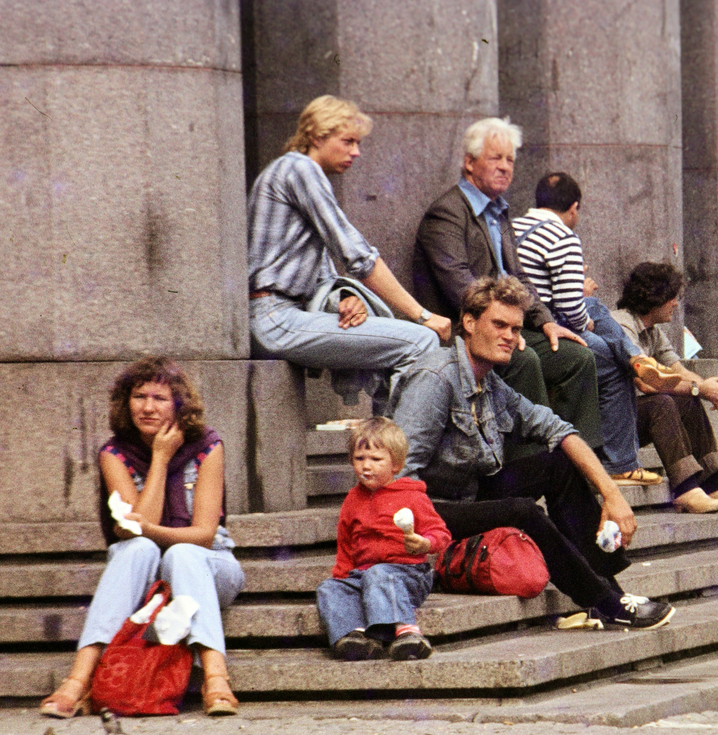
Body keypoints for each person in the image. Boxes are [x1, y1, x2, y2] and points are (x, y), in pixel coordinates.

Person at [395, 276, 673, 629]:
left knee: (559, 464)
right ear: (468, 322)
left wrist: (612, 494)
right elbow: (398, 474)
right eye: (499, 324)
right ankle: (604, 602)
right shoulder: (435, 379)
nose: (510, 336)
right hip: (425, 511)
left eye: (515, 328)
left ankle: (610, 586)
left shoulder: (491, 383)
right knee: (520, 511)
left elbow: (558, 430)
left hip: (467, 496)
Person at [40, 358, 245, 719]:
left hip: (210, 568)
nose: (148, 407)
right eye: (139, 396)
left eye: (160, 398)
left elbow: (203, 534)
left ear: (179, 405)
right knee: (136, 548)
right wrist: (160, 459)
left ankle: (216, 677)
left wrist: (146, 529)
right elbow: (139, 532)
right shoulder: (113, 454)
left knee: (181, 553)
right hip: (144, 580)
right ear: (125, 402)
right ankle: (78, 678)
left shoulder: (209, 446)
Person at [247, 95, 450, 414]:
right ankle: (401, 457)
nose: (356, 152)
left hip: (281, 313)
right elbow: (358, 256)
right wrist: (422, 315)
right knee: (420, 341)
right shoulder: (300, 169)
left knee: (394, 349)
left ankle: (386, 453)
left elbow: (322, 272)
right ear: (317, 136)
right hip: (274, 317)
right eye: (348, 141)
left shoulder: (294, 172)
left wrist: (344, 299)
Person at [415, 118, 602, 454]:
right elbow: (461, 288)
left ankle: (577, 464)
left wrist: (546, 322)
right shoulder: (447, 213)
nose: (504, 167)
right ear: (469, 163)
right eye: (495, 158)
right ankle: (532, 463)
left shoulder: (499, 212)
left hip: (508, 324)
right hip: (467, 330)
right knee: (525, 358)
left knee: (577, 357)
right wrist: (508, 328)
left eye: (510, 160)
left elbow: (521, 279)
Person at [512, 170, 666, 487]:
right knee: (611, 357)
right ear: (574, 207)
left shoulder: (511, 227)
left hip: (520, 318)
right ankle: (621, 461)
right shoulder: (564, 237)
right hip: (544, 326)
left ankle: (636, 357)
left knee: (595, 307)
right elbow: (570, 307)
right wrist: (586, 320)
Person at [612, 262, 718, 514]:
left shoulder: (652, 331)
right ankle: (685, 488)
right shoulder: (621, 325)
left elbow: (679, 371)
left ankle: (711, 482)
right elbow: (647, 382)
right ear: (654, 297)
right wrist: (700, 389)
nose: (676, 304)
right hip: (611, 425)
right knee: (662, 403)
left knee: (687, 400)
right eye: (672, 297)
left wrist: (711, 389)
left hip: (629, 417)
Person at [317, 418, 451, 662]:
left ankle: (406, 633)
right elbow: (346, 542)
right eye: (359, 459)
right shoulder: (352, 499)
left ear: (396, 465)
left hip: (408, 574)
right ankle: (355, 635)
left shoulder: (412, 497)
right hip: (363, 574)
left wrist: (425, 543)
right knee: (329, 588)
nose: (366, 466)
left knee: (379, 574)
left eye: (376, 460)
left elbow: (441, 533)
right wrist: (343, 574)